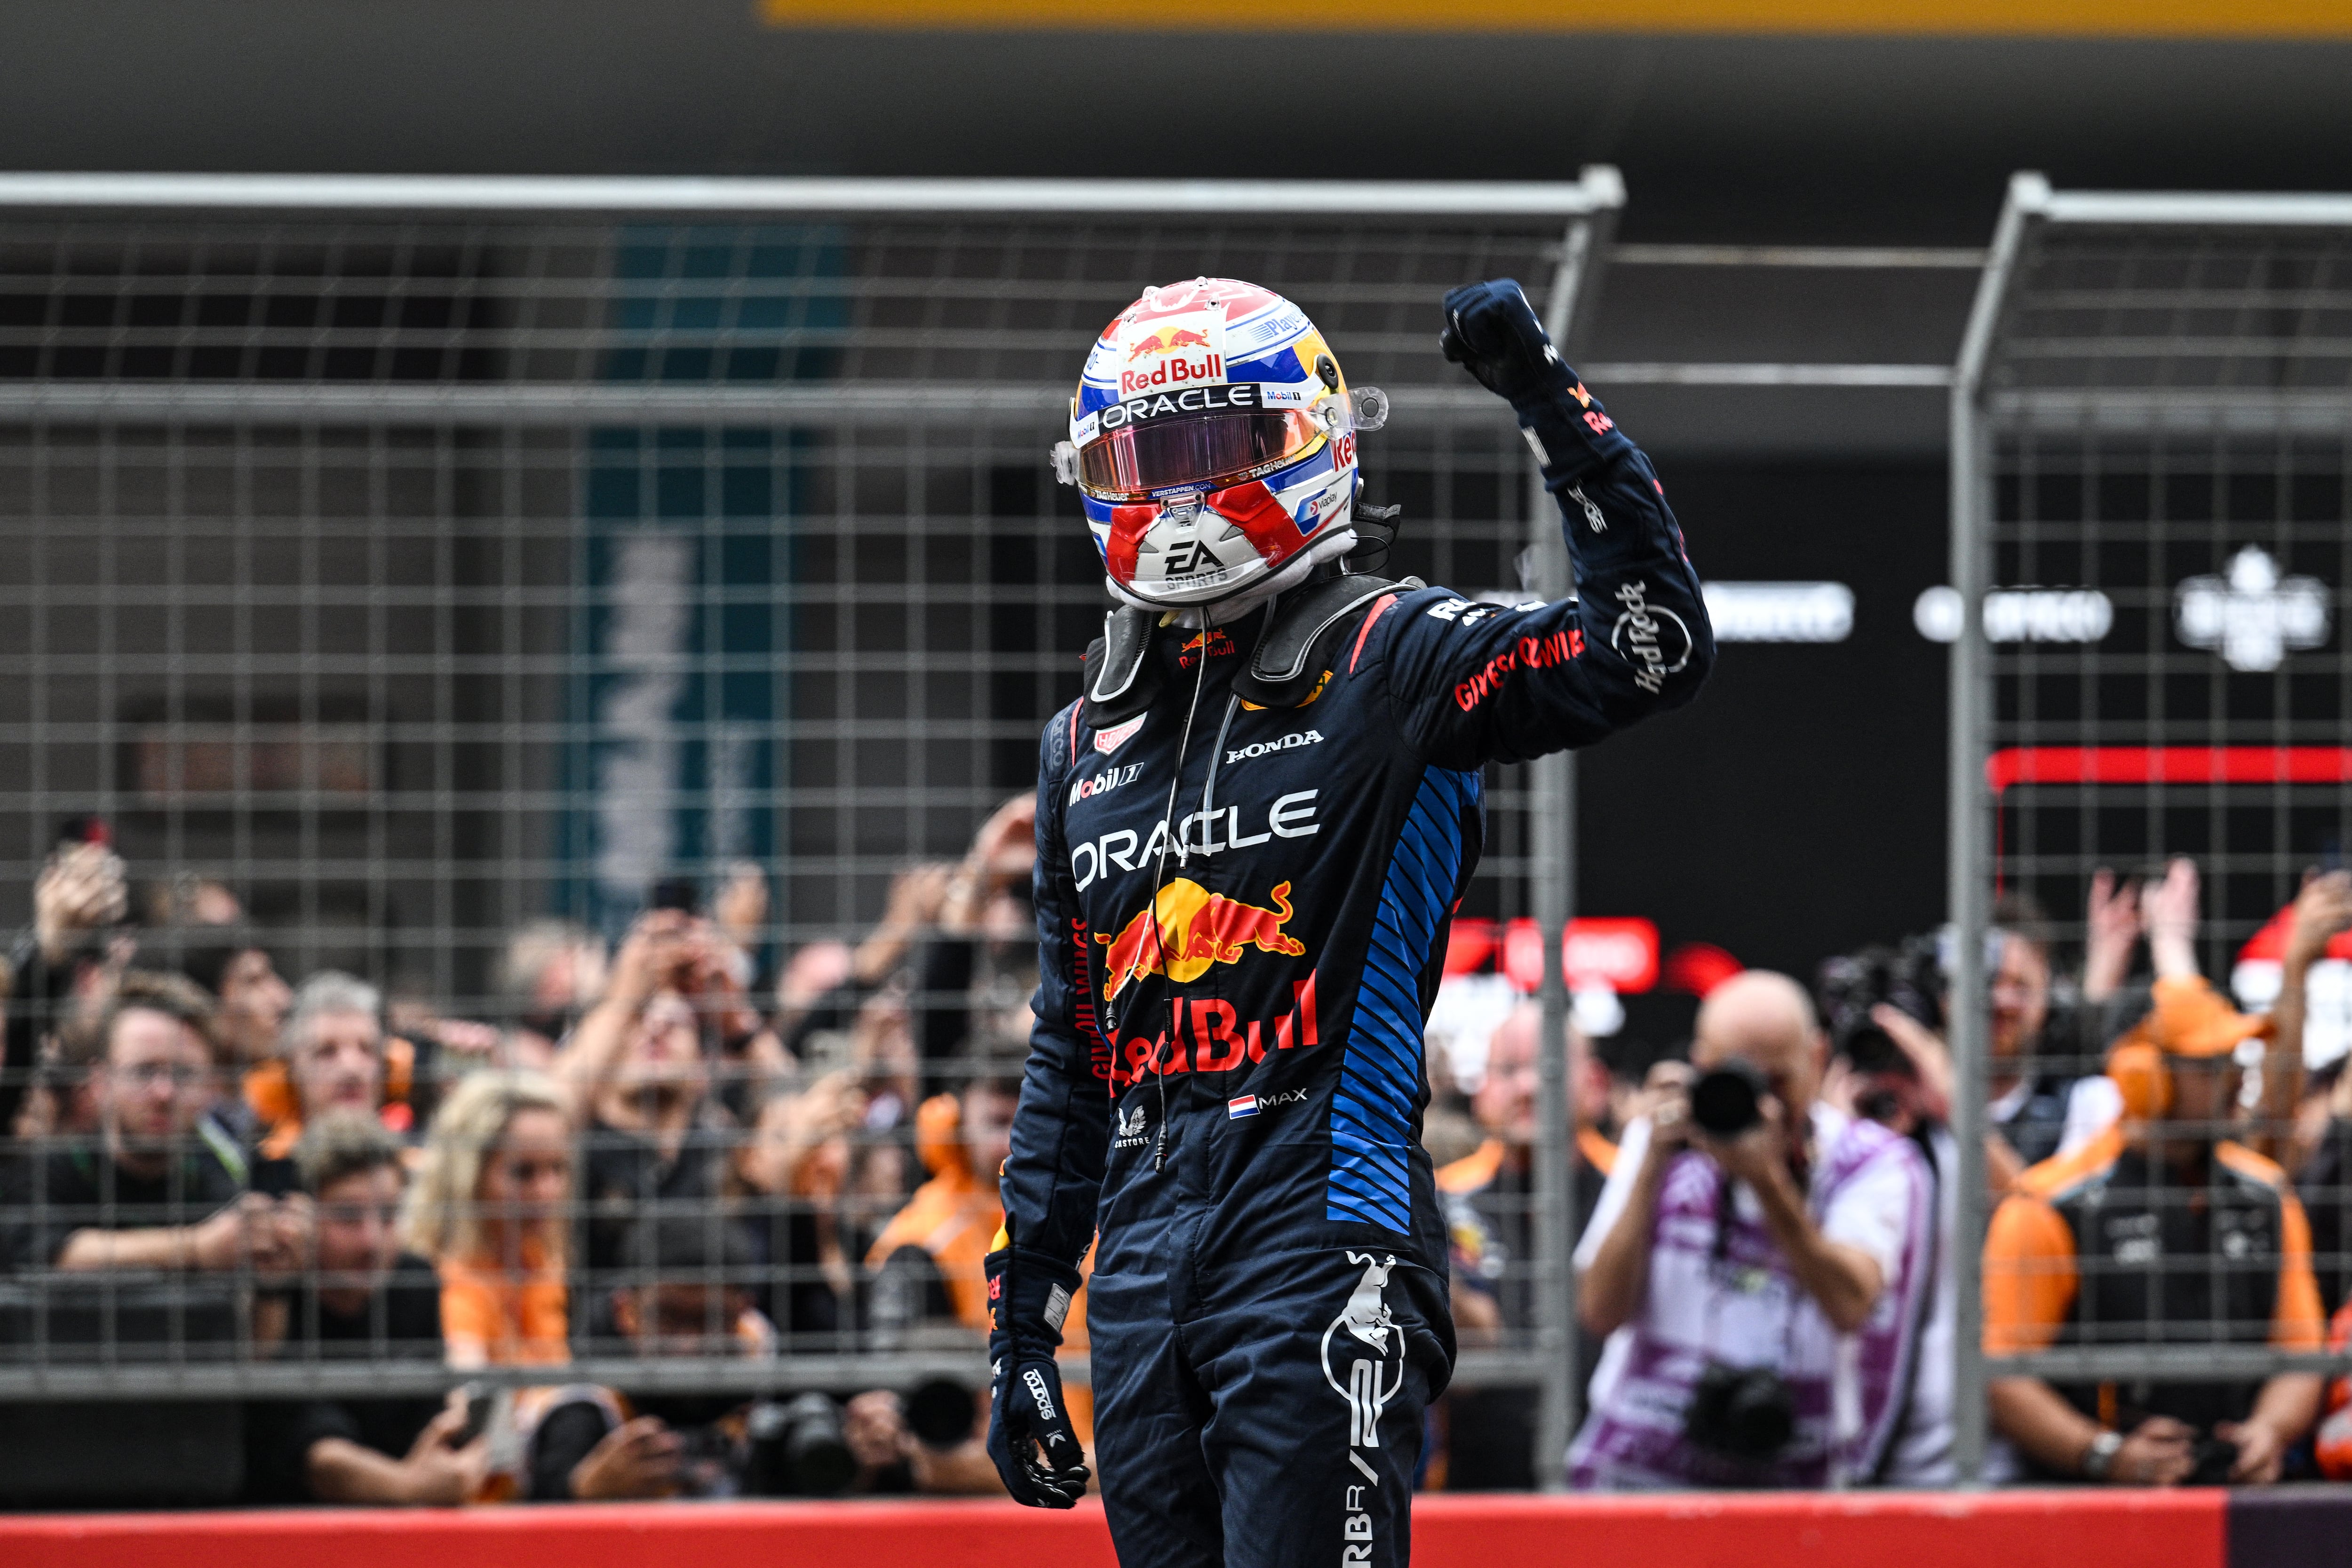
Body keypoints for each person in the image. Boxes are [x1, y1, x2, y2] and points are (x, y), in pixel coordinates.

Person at [988, 277, 1712, 1564]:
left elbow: (1652, 649)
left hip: (1326, 1210)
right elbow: (1072, 1051)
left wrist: (1550, 403)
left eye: (1222, 447)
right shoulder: (1079, 738)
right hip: (1147, 1254)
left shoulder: (1399, 649)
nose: (1188, 489)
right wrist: (1023, 1325)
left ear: (1311, 441)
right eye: (1150, 457)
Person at [1569, 971, 1936, 1489]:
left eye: (1777, 1081)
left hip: (1794, 1488)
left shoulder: (1869, 1162)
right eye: (1737, 1077)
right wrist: (1651, 1164)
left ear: (1817, 1058)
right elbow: (1598, 1310)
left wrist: (1766, 1183)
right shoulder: (1661, 1141)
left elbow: (1852, 1303)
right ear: (1700, 1064)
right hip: (1637, 1476)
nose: (1760, 1102)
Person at [1983, 966, 2327, 1486]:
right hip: (2090, 1514)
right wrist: (2102, 1453)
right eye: (2210, 1064)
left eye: (2235, 1059)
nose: (2235, 1077)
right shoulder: (2047, 1204)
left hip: (2236, 1507)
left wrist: (2268, 1431)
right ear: (2141, 1075)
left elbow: (2301, 1352)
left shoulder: (2266, 1194)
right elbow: (2002, 1377)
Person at [0, 971, 309, 1281]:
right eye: (144, 1071)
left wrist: (273, 1278)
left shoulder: (221, 1188)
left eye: (184, 1074)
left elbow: (252, 1327)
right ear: (100, 1082)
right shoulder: (44, 1172)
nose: (164, 1093)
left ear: (212, 1088)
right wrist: (197, 1249)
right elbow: (43, 1252)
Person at [244, 1114, 487, 1505]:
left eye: (389, 1215)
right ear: (302, 1215)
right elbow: (313, 1452)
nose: (371, 1240)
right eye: (347, 1216)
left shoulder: (415, 1280)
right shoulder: (276, 1295)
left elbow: (432, 1415)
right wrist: (409, 1488)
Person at [1433, 1002, 1615, 1489]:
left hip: (1621, 1486)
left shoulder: (1635, 1190)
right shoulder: (1440, 1199)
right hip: (1477, 1491)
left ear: (1596, 1085)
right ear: (1481, 1091)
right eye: (1509, 1070)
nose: (1529, 1088)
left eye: (1549, 1066)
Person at [401, 1069, 573, 1368]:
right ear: (469, 1176)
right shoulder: (446, 1284)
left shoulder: (537, 1261)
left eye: (558, 1168)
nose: (548, 1191)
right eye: (524, 1172)